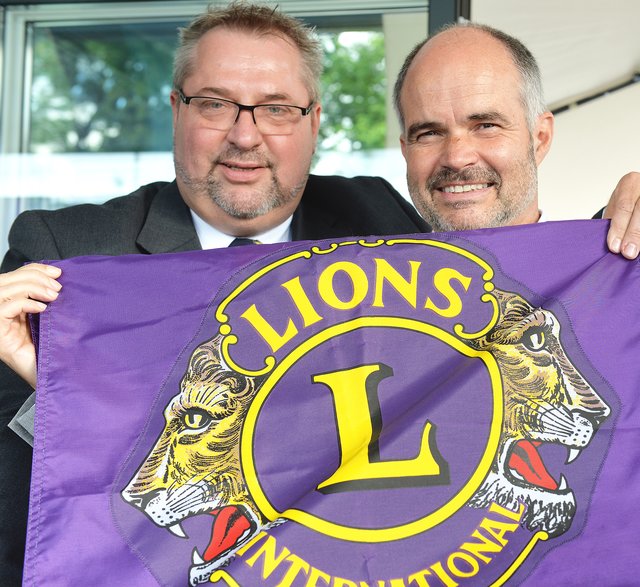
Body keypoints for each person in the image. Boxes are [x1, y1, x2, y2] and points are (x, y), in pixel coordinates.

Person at [0, 5, 638, 584]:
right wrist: (62, 387)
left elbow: (515, 286)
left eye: (277, 108)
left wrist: (618, 234)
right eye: (216, 104)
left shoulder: (377, 217)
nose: (245, 136)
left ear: (314, 123)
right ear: (178, 111)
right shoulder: (66, 251)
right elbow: (38, 516)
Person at [393, 21, 640, 256]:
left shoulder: (610, 279)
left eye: (486, 126)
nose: (457, 158)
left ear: (540, 138)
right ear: (405, 151)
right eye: (429, 134)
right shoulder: (368, 287)